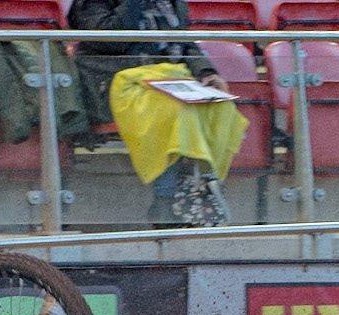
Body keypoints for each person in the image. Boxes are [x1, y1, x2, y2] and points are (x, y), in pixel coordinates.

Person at [69, 0, 247, 226]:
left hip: (168, 79)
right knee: (176, 108)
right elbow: (110, 40)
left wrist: (206, 72)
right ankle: (165, 201)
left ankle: (200, 182)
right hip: (118, 82)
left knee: (220, 105)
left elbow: (184, 43)